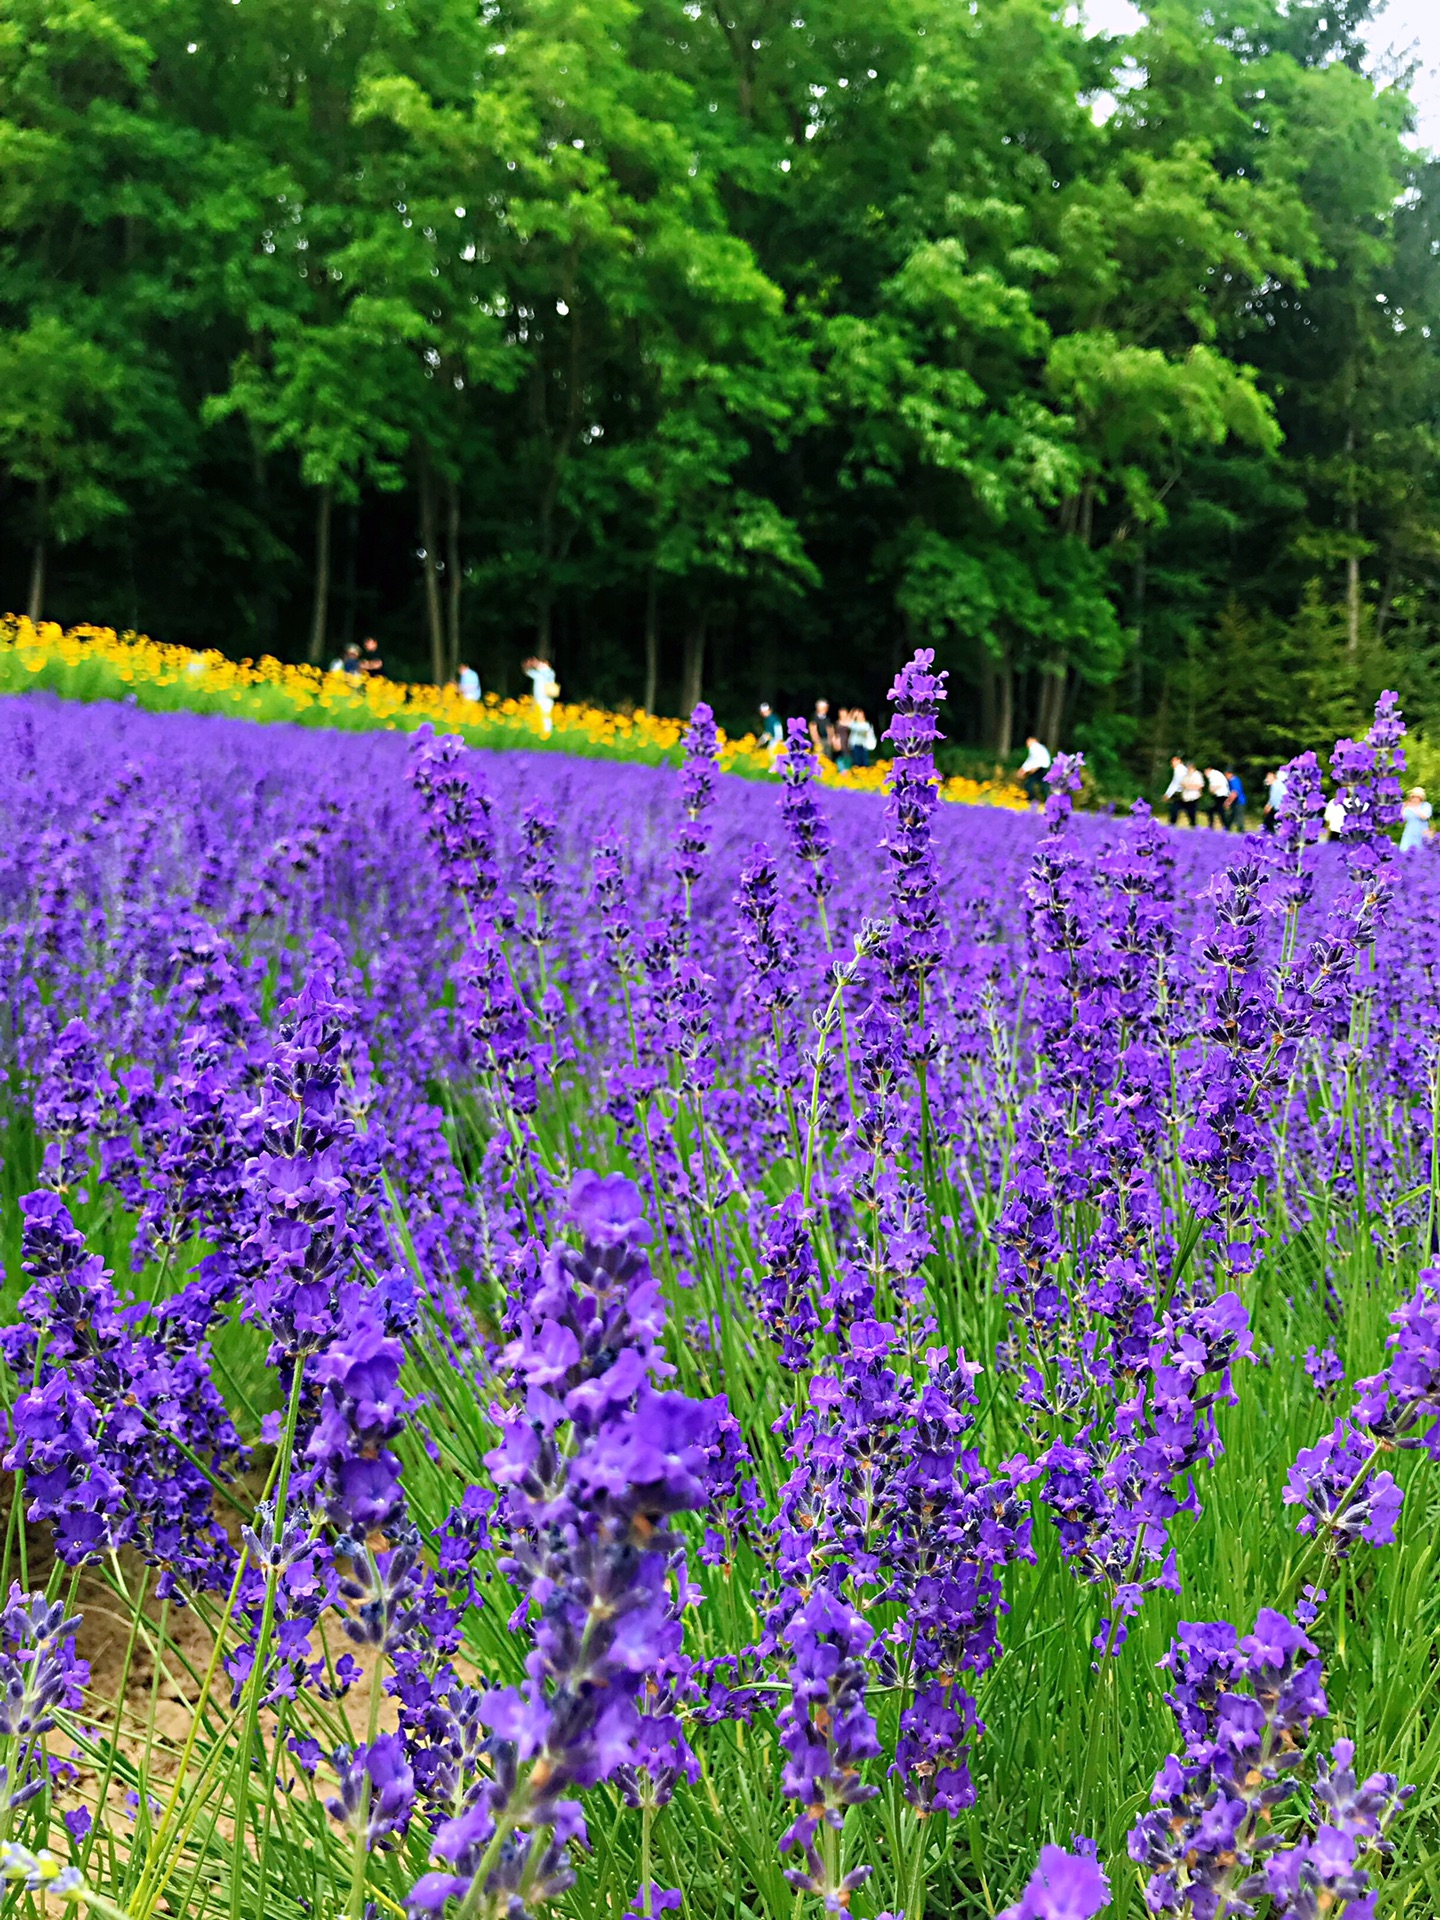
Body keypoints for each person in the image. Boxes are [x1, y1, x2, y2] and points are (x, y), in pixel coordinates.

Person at [522, 655, 559, 736]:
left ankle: (547, 733)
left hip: (546, 698)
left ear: (548, 665)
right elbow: (527, 672)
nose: (540, 665)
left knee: (546, 716)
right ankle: (539, 732)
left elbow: (544, 672)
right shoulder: (538, 674)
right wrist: (528, 664)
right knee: (538, 715)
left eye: (543, 663)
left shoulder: (549, 672)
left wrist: (536, 664)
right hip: (538, 698)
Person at [1020, 734, 1052, 808]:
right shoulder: (1040, 747)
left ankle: (1031, 800)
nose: (1027, 744)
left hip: (1039, 768)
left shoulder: (1034, 747)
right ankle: (1048, 800)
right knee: (1043, 785)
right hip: (1044, 767)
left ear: (1032, 740)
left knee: (1029, 784)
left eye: (1028, 741)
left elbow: (1032, 760)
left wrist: (1025, 769)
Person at [1400, 786, 1432, 851]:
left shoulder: (1426, 805)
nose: (1414, 798)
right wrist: (1402, 808)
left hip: (1422, 833)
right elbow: (1402, 820)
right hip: (1409, 833)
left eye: (1417, 796)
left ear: (1421, 798)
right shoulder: (1407, 806)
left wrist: (1414, 807)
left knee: (1421, 852)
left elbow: (1424, 817)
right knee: (1405, 851)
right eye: (1413, 796)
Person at [1163, 756, 1188, 826]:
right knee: (1177, 808)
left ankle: (1172, 823)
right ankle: (1172, 822)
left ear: (1179, 761)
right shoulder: (1183, 769)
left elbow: (1175, 783)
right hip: (1182, 791)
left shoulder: (1179, 769)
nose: (1173, 764)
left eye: (1174, 762)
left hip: (1180, 792)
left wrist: (1168, 794)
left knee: (1174, 808)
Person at [1262, 767, 1288, 832]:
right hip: (1280, 807)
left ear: (1273, 777)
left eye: (1268, 777)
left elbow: (1274, 797)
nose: (1267, 779)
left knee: (1268, 823)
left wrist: (1269, 806)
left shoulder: (1276, 784)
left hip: (1279, 808)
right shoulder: (1278, 784)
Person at [1225, 766, 1246, 831]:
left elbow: (1234, 793)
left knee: (1239, 817)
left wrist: (1228, 802)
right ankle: (1227, 828)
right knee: (1232, 815)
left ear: (1230, 774)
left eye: (1226, 774)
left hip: (1239, 801)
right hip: (1235, 802)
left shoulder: (1234, 781)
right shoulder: (1232, 780)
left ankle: (1241, 830)